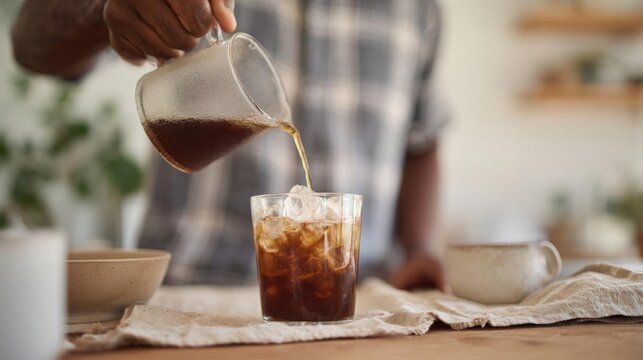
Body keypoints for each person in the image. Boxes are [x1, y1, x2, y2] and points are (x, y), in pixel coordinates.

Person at [12, 0, 448, 291]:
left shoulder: (420, 10)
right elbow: (28, 45)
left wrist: (421, 248)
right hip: (188, 293)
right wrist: (98, 9)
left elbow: (422, 138)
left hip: (354, 300)